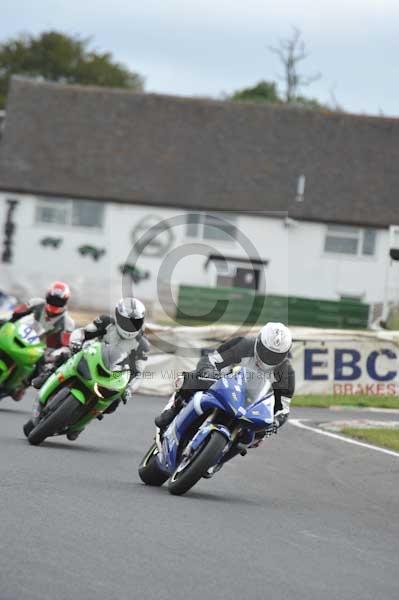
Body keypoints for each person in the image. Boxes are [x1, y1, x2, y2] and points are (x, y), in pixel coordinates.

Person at [155, 322, 295, 456]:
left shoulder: (286, 372)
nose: (270, 358)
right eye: (267, 352)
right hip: (225, 384)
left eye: (277, 355)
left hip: (251, 404)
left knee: (258, 434)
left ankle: (221, 454)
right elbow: (211, 360)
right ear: (258, 342)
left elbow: (283, 408)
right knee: (194, 379)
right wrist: (209, 372)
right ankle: (173, 409)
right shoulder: (243, 345)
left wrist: (274, 423)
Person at [31, 297, 149, 440]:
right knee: (65, 355)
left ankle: (83, 421)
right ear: (118, 316)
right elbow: (82, 332)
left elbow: (139, 373)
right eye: (126, 321)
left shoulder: (142, 345)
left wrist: (129, 389)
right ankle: (47, 375)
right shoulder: (106, 322)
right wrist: (76, 342)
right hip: (92, 356)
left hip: (114, 374)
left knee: (114, 403)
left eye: (134, 323)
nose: (129, 326)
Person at [3, 282, 74, 400]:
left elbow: (66, 344)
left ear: (65, 301)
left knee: (41, 365)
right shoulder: (36, 303)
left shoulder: (68, 322)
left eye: (58, 301)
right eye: (52, 299)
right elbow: (16, 313)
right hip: (23, 332)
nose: (54, 303)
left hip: (43, 347)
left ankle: (22, 386)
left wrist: (57, 354)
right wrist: (9, 322)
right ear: (47, 296)